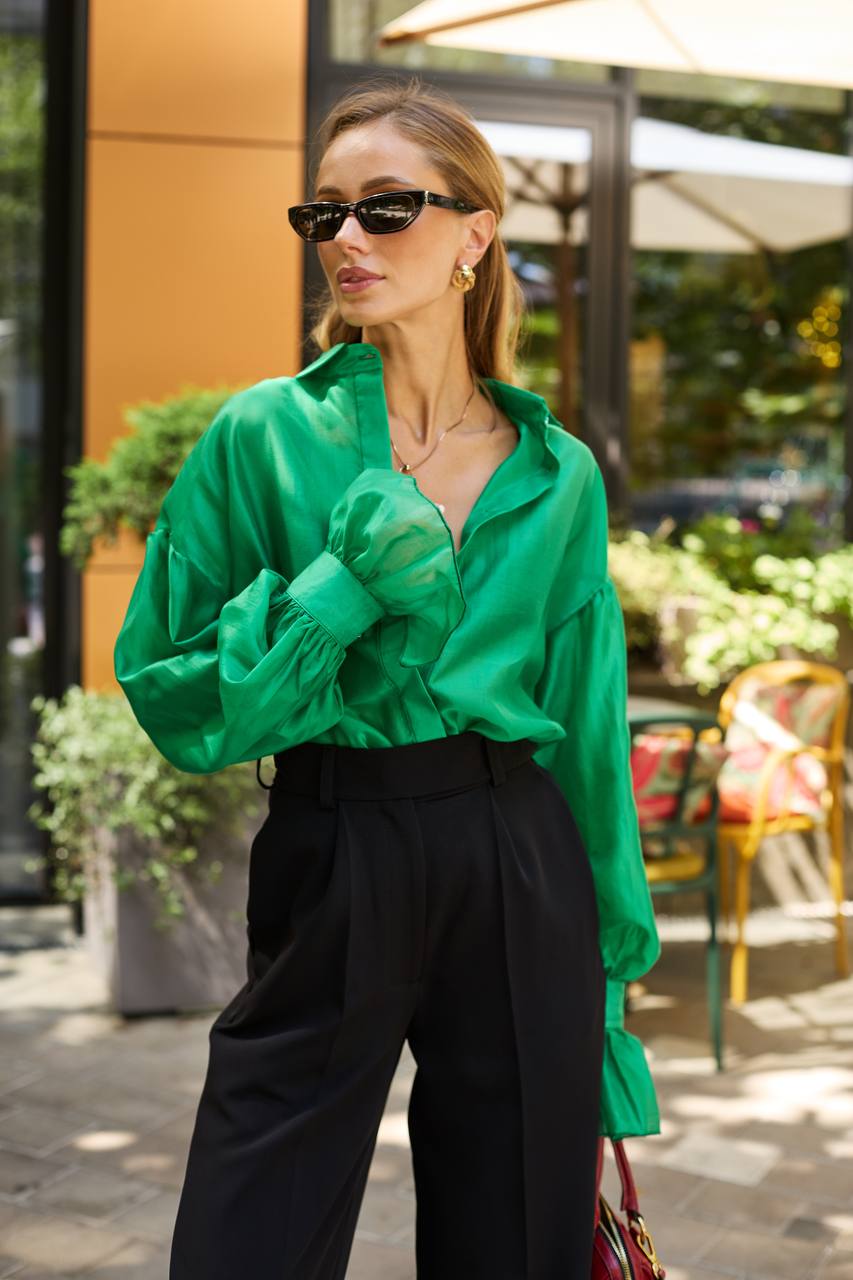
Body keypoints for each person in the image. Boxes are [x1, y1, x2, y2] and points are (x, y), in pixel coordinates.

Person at [114, 74, 661, 1280]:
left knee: (516, 1232)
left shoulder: (557, 471)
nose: (345, 240)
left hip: (516, 849)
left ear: (474, 233)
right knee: (246, 1230)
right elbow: (168, 687)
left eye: (384, 208)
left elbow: (583, 720)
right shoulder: (261, 436)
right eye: (324, 215)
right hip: (335, 839)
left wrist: (609, 986)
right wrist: (341, 588)